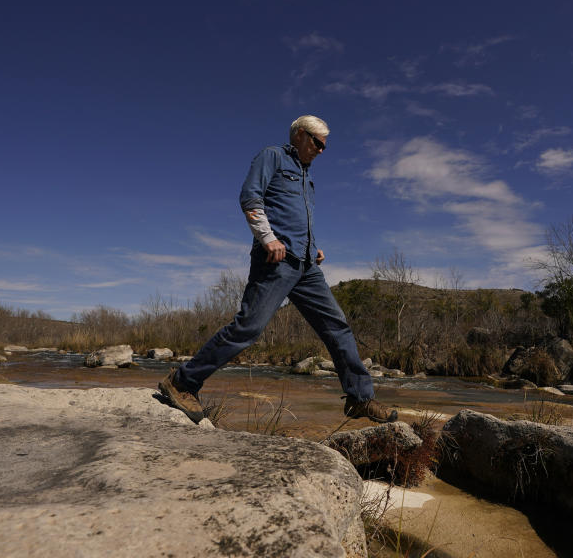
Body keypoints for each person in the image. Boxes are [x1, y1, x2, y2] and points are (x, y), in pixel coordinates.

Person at [159, 115, 398, 425]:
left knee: (337, 326)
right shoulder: (272, 156)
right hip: (275, 260)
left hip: (307, 265)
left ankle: (359, 399)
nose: (322, 150)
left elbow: (298, 218)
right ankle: (182, 383)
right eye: (318, 142)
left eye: (325, 146)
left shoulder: (307, 176)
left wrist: (314, 247)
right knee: (248, 328)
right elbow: (250, 196)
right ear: (300, 135)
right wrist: (268, 238)